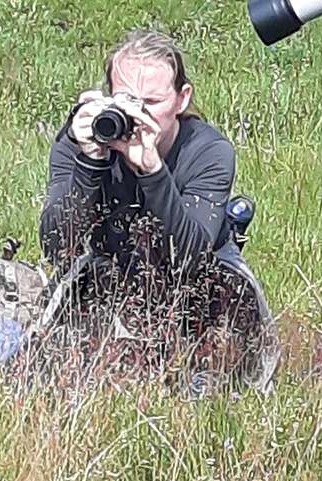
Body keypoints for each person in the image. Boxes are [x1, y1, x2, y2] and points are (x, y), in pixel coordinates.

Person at [35, 30, 278, 395]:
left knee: (218, 375)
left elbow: (190, 257)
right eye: (127, 100)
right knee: (54, 373)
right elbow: (57, 248)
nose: (138, 115)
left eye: (151, 102)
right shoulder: (81, 140)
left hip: (202, 284)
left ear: (182, 99)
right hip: (111, 275)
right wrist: (89, 164)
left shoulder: (208, 151)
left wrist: (153, 173)